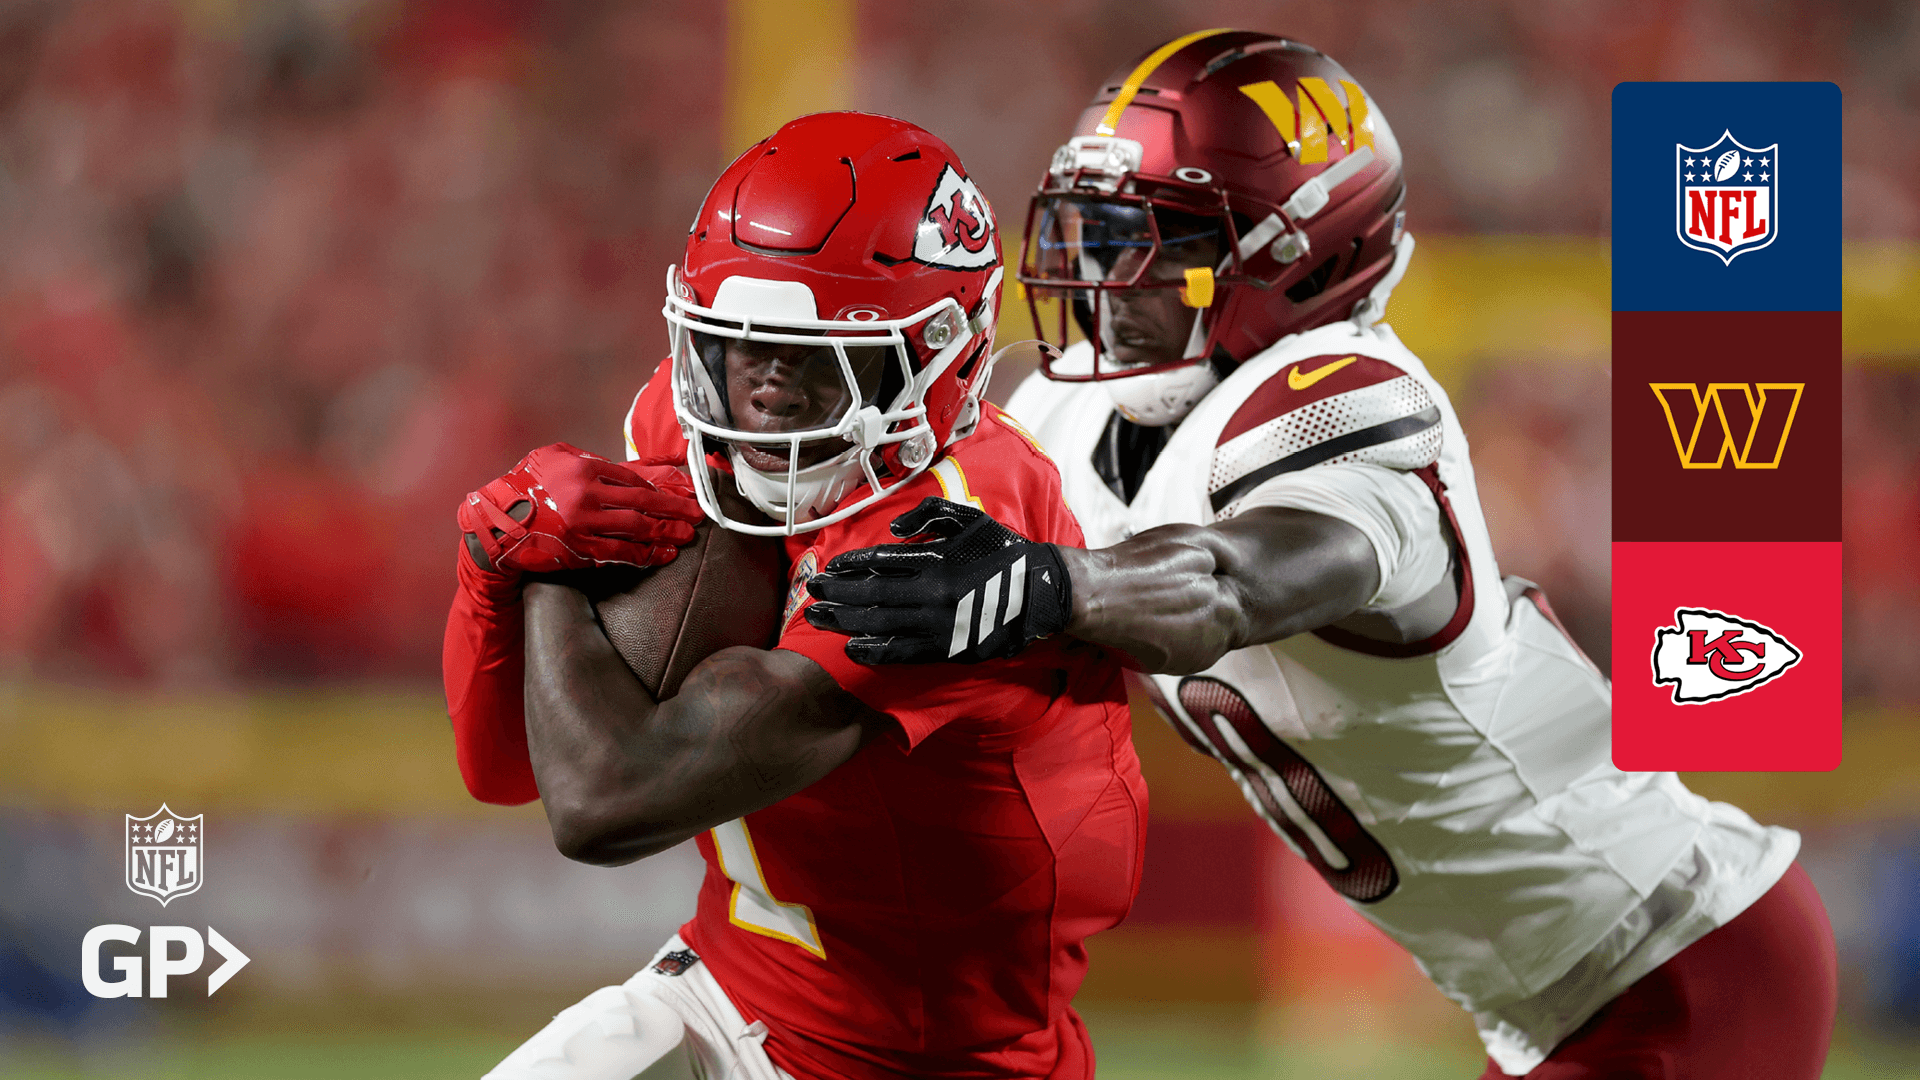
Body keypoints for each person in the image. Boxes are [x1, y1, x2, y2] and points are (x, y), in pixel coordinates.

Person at [803, 31, 1838, 1079]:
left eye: (1158, 242)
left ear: (1305, 256)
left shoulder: (1348, 401)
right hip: (1549, 1000)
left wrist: (1048, 583)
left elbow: (1227, 582)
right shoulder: (1073, 417)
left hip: (1684, 956)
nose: (1108, 278)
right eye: (1096, 234)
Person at [441, 112, 1145, 1080]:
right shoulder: (699, 416)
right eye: (744, 347)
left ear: (938, 356)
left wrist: (545, 572)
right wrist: (487, 569)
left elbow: (603, 805)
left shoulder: (947, 540)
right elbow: (504, 771)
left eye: (818, 357)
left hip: (936, 1064)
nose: (766, 391)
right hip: (727, 994)